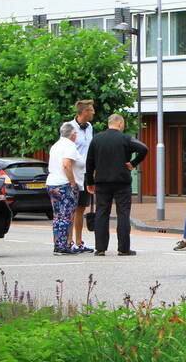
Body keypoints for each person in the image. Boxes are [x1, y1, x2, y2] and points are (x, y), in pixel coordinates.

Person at [84, 114, 148, 256]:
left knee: (102, 213)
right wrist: (133, 163)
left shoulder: (97, 139)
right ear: (119, 124)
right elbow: (144, 148)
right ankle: (123, 248)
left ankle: (100, 248)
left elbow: (89, 162)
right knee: (123, 214)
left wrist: (90, 181)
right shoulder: (125, 138)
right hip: (122, 182)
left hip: (102, 182)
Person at [46, 122, 83, 256]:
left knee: (57, 216)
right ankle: (63, 246)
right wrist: (72, 182)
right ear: (73, 134)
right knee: (66, 215)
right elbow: (66, 164)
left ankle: (57, 243)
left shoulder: (55, 145)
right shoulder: (70, 145)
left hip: (51, 183)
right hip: (63, 184)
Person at [67, 99, 96, 253]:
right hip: (73, 174)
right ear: (83, 112)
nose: (93, 112)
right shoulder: (69, 127)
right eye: (91, 110)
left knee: (81, 208)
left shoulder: (90, 127)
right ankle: (69, 241)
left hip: (85, 173)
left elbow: (90, 150)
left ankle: (79, 241)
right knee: (71, 207)